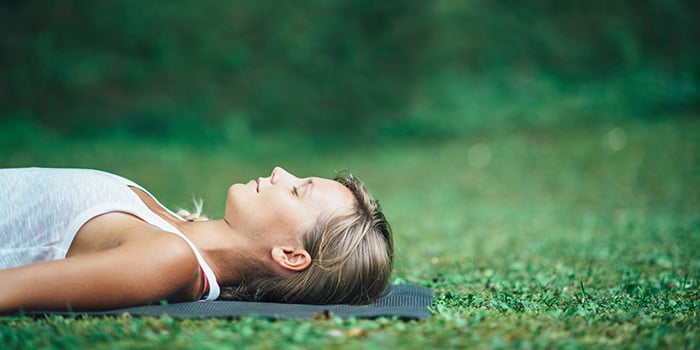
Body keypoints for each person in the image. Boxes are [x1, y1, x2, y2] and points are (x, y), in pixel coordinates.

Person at [0, 166, 393, 312]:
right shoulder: (170, 227)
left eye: (296, 191)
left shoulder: (170, 259)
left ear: (291, 255)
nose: (279, 172)